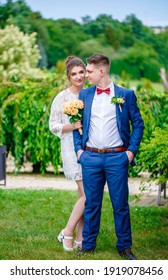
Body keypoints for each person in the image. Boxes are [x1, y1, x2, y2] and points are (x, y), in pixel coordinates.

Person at [73, 54, 144, 259]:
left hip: (117, 158)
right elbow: (77, 124)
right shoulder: (85, 95)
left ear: (101, 71)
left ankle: (124, 246)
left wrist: (130, 151)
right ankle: (88, 245)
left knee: (120, 204)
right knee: (92, 203)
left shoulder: (126, 94)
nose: (86, 75)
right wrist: (80, 151)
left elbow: (138, 124)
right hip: (91, 158)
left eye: (89, 71)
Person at [49, 56, 86, 251]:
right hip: (71, 149)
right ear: (68, 76)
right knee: (88, 196)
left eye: (81, 72)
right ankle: (68, 232)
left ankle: (80, 239)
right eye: (74, 74)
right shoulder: (62, 98)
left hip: (91, 150)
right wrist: (71, 126)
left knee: (84, 195)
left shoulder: (90, 94)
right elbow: (53, 125)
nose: (78, 77)